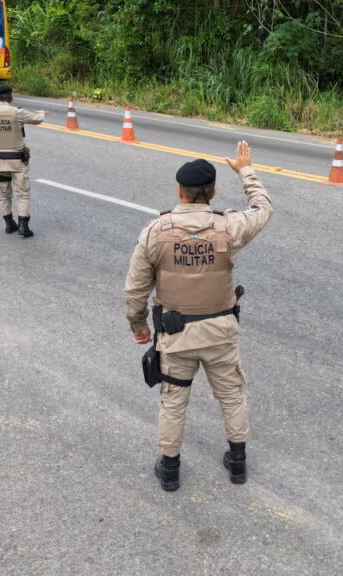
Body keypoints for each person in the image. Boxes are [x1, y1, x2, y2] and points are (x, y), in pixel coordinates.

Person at [124, 141, 273, 492]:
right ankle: (238, 463)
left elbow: (134, 290)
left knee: (174, 401)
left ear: (180, 191)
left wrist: (139, 326)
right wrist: (246, 171)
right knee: (232, 396)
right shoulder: (229, 227)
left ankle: (171, 469)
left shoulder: (155, 232)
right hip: (220, 332)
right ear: (213, 192)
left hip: (176, 337)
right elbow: (264, 208)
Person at [0, 85, 49, 237]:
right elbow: (37, 119)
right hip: (17, 162)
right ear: (10, 97)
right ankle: (23, 227)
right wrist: (41, 112)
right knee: (22, 194)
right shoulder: (16, 112)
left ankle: (9, 224)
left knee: (4, 193)